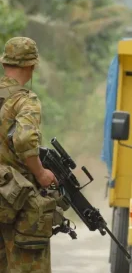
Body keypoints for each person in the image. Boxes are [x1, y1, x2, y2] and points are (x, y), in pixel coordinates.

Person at [0, 37, 59, 273]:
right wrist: (41, 173)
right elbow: (24, 139)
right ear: (31, 66)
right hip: (19, 204)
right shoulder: (26, 101)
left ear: (5, 63)